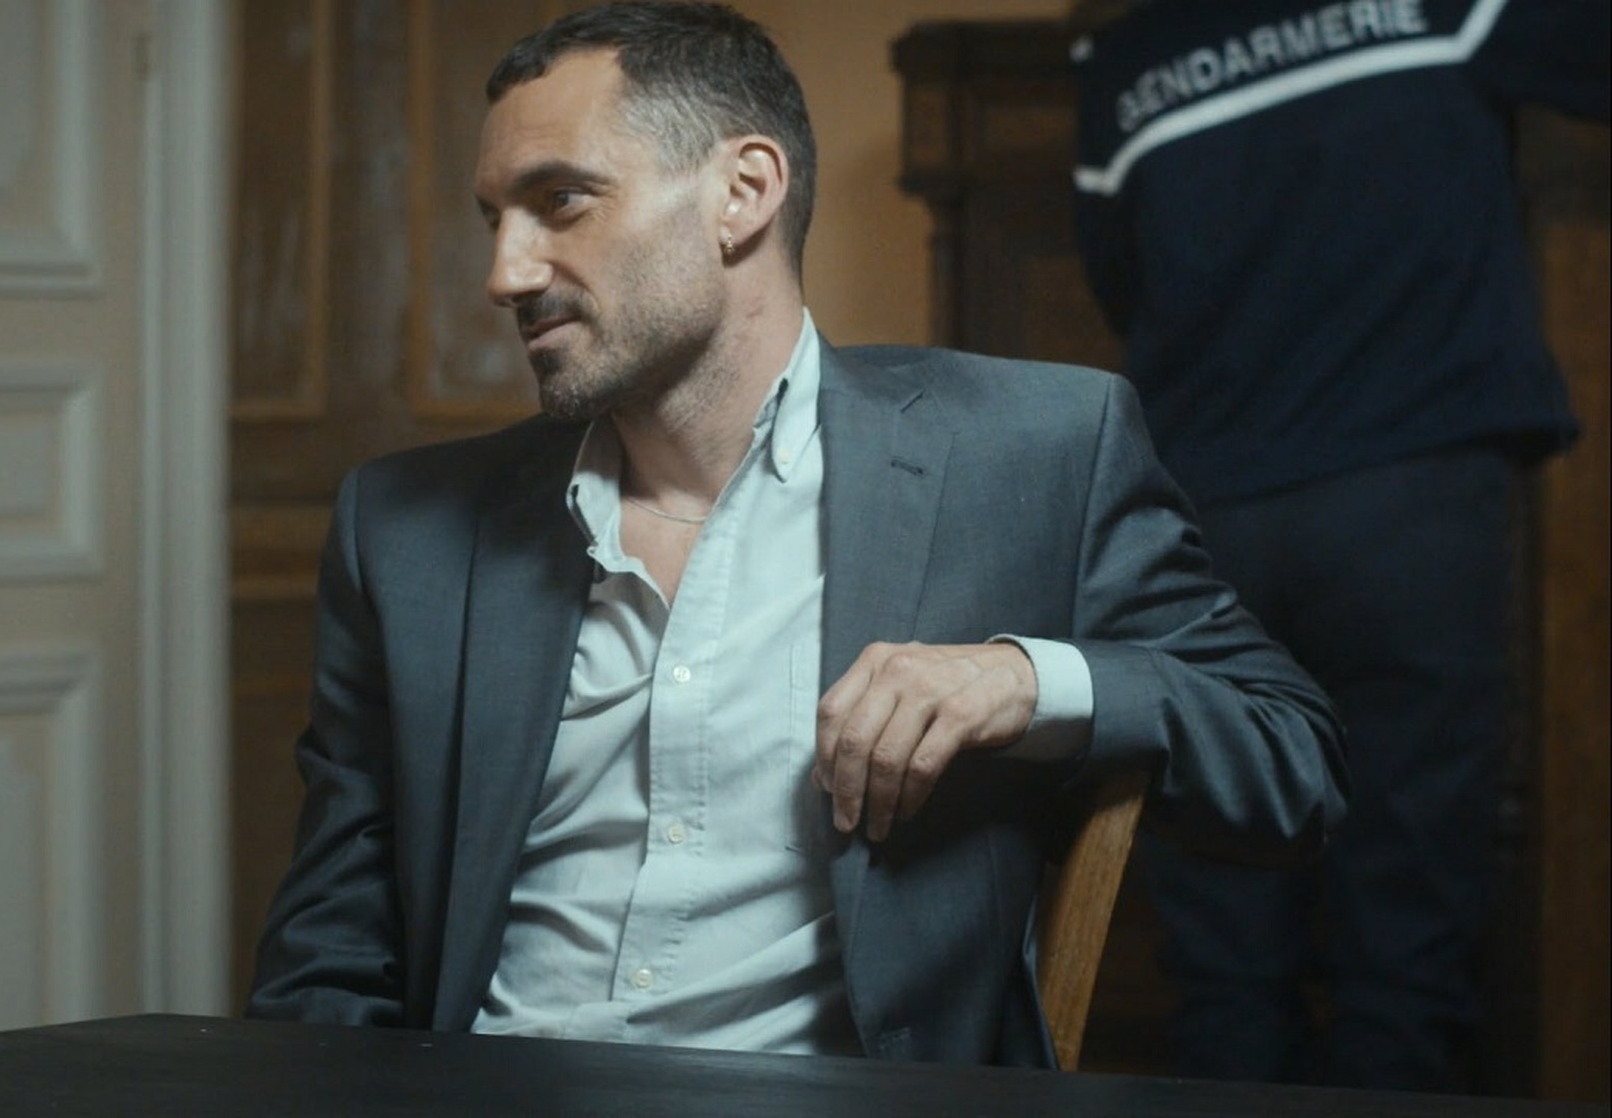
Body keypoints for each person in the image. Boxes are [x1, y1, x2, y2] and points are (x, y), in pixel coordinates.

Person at [247, 0, 1346, 1066]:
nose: (505, 273)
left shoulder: (1033, 452)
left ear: (743, 192)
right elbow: (330, 954)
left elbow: (1290, 761)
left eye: (561, 201)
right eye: (494, 219)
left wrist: (1026, 682)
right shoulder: (405, 532)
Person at [1070, 0, 1609, 1091]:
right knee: (1408, 925)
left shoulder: (1123, 61)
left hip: (1204, 515)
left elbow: (1122, 282)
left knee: (1222, 941)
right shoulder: (1435, 7)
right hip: (1409, 493)